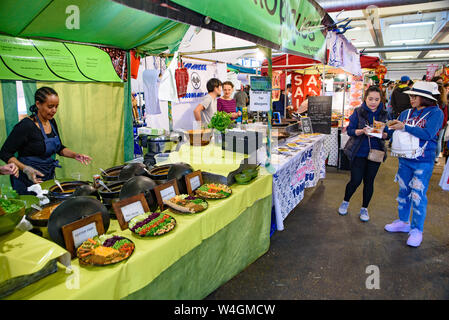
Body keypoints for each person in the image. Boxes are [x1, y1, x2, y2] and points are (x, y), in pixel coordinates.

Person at [0, 87, 92, 195]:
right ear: (38, 104)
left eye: (56, 106)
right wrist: (25, 169)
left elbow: (59, 148)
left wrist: (75, 155)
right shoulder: (26, 126)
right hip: (27, 179)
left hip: (47, 176)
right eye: (50, 106)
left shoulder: (51, 122)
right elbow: (5, 153)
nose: (54, 110)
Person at [385, 81, 444, 247]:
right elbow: (396, 130)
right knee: (404, 191)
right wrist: (382, 131)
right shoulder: (405, 113)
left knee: (418, 195)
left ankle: (417, 229)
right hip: (405, 159)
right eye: (411, 96)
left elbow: (428, 133)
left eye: (414, 96)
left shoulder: (436, 113)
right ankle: (403, 222)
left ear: (425, 98)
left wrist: (405, 127)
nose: (411, 98)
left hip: (423, 161)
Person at [339, 86, 390, 221]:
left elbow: (388, 135)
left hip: (376, 152)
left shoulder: (385, 114)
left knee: (369, 181)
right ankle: (345, 201)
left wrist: (381, 134)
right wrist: (362, 131)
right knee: (355, 180)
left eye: (376, 99)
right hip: (359, 151)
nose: (373, 102)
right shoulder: (358, 112)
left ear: (381, 100)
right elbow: (350, 131)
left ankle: (364, 208)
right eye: (370, 99)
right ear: (365, 98)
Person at [434, 84, 448, 162]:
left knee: (433, 140)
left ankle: (433, 156)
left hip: (434, 124)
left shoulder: (432, 102)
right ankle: (436, 157)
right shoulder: (444, 103)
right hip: (442, 124)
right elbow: (445, 116)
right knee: (439, 141)